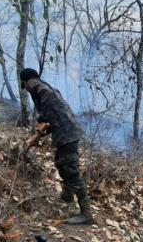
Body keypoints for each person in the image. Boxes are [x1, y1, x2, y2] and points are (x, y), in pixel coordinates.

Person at [20, 68, 93, 225]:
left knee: (71, 171)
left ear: (26, 82)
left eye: (25, 85)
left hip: (67, 135)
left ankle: (86, 214)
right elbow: (55, 118)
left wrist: (42, 121)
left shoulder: (39, 88)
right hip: (66, 133)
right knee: (60, 162)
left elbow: (49, 112)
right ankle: (67, 195)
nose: (26, 87)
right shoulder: (48, 89)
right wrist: (39, 134)